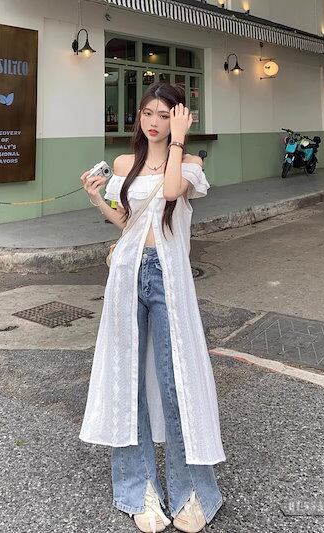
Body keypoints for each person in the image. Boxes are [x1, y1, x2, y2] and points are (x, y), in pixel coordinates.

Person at [79, 82, 226, 533]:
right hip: (127, 271)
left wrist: (179, 141)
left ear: (180, 117)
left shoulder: (190, 163)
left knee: (176, 378)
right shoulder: (125, 164)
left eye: (165, 114)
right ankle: (137, 489)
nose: (154, 122)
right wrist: (96, 198)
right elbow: (128, 221)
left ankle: (192, 492)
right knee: (128, 380)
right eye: (148, 113)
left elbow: (172, 190)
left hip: (168, 275)